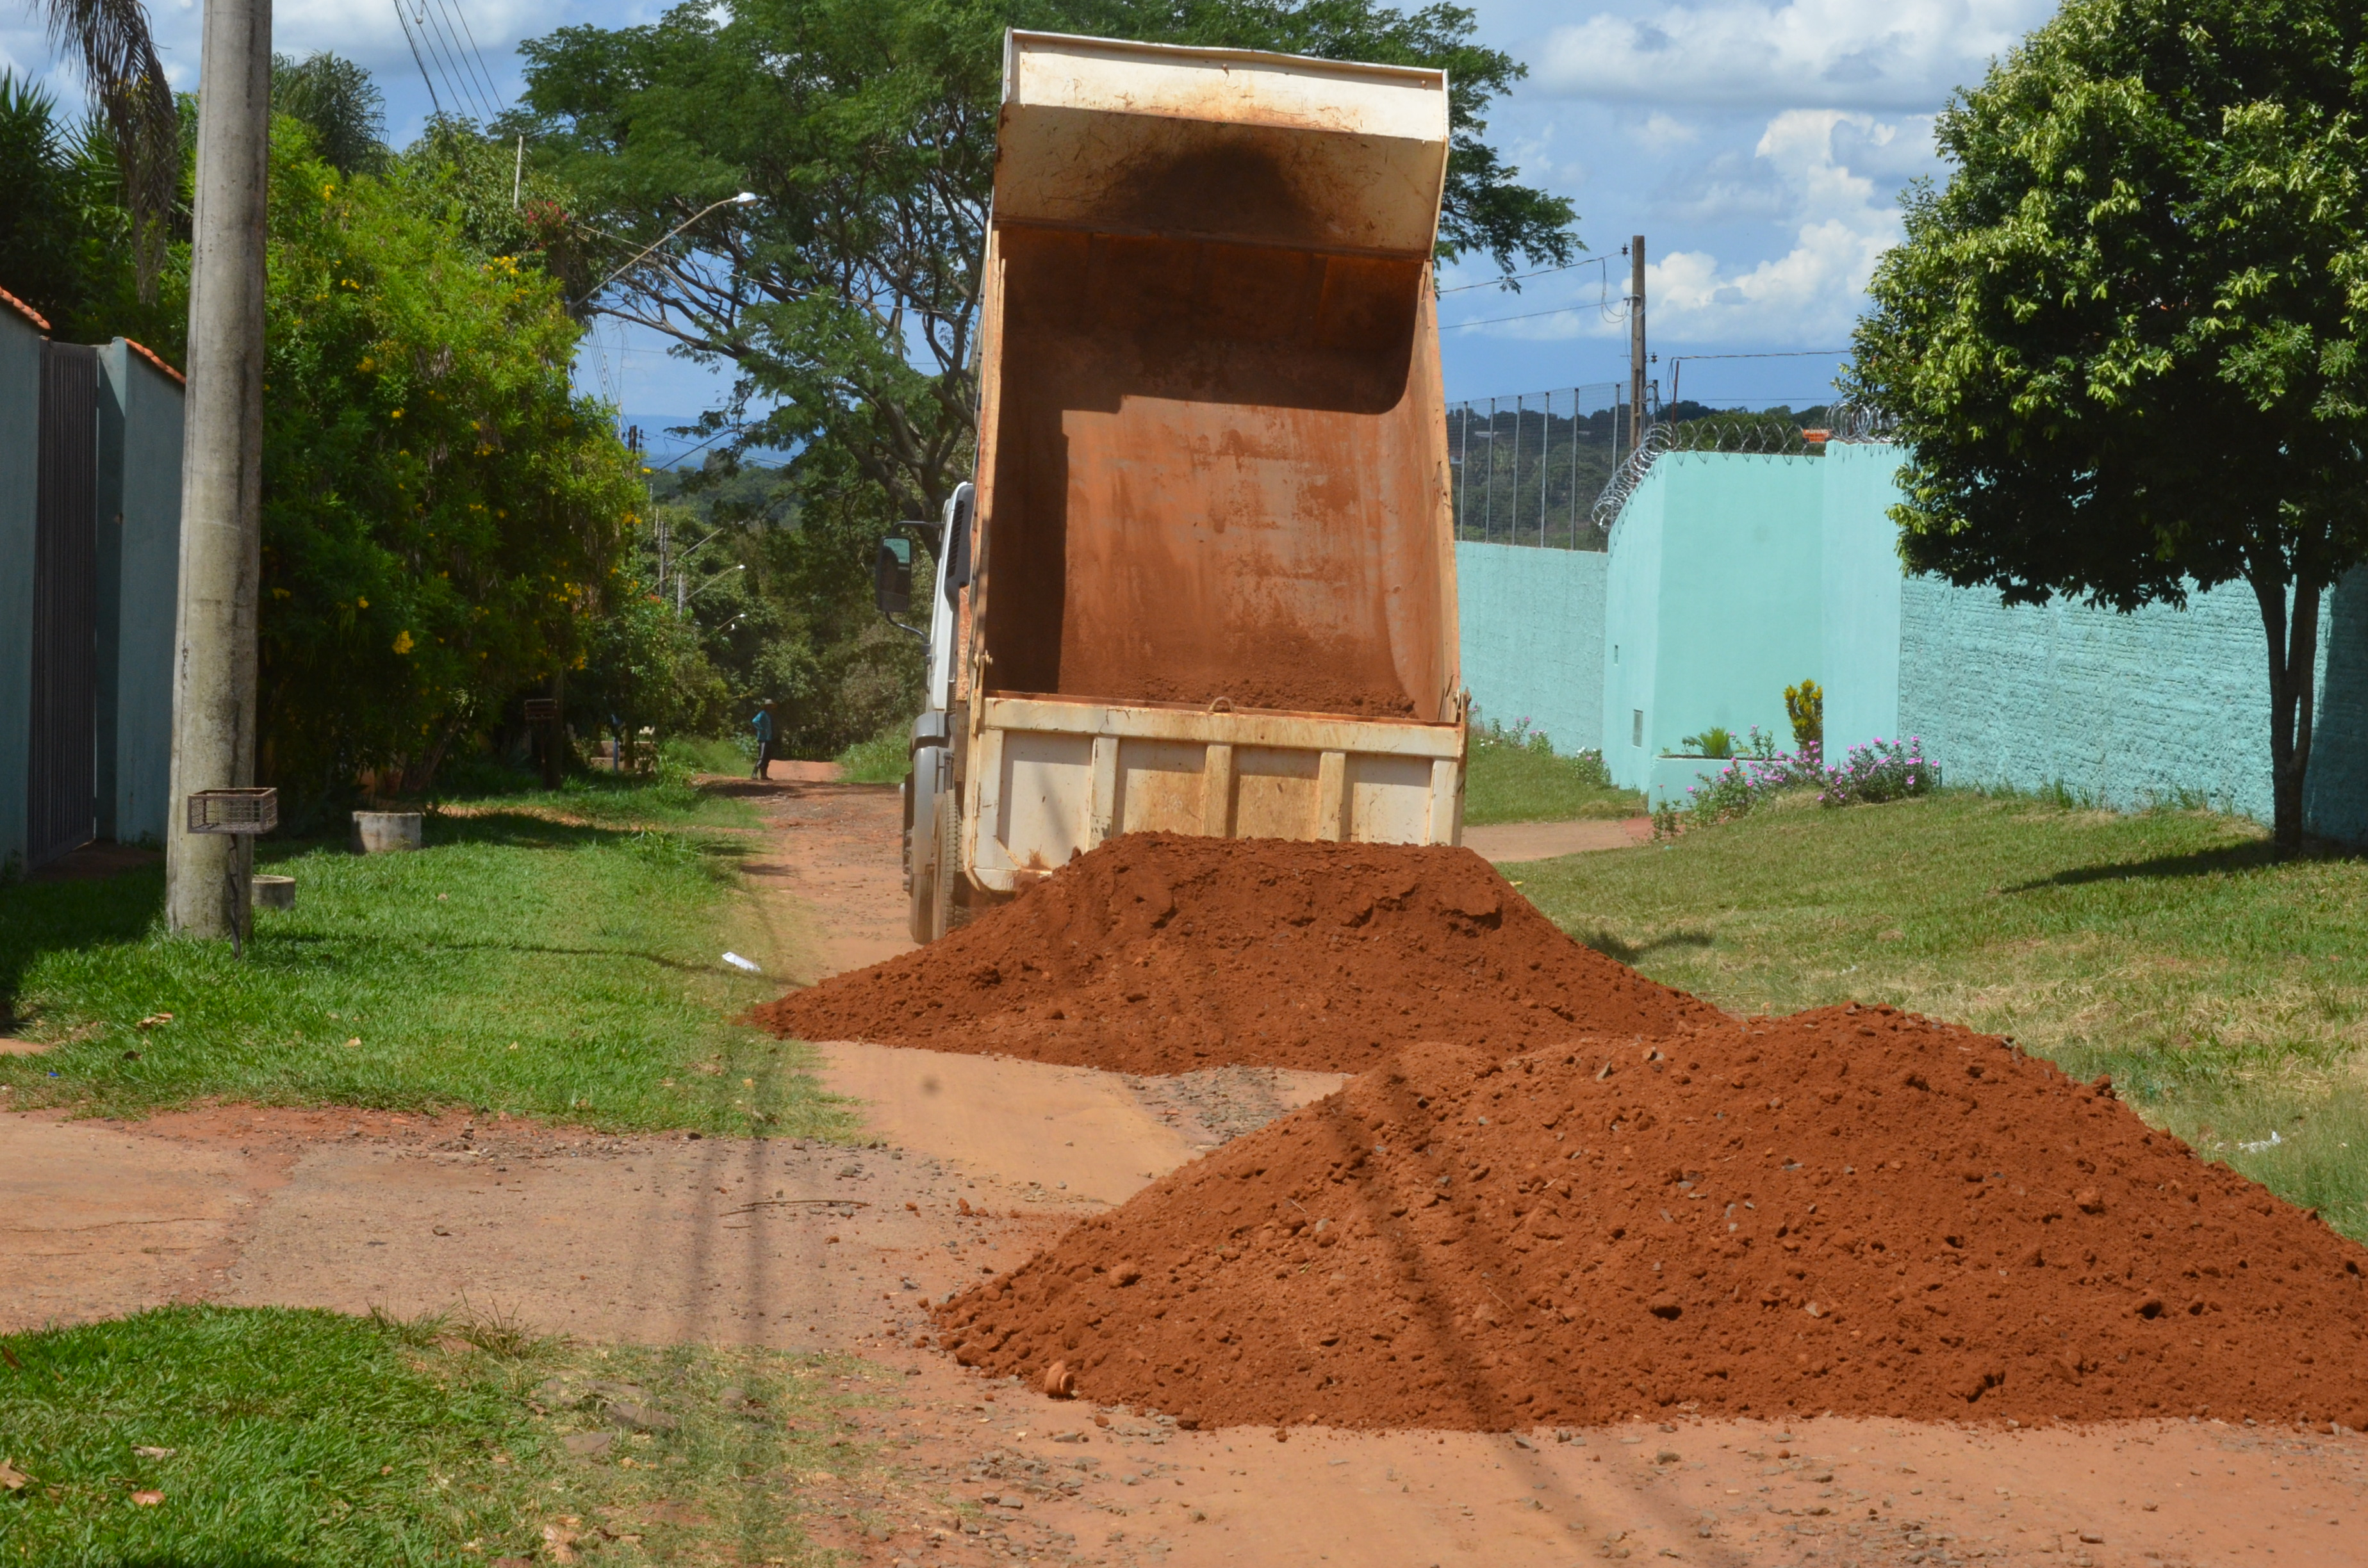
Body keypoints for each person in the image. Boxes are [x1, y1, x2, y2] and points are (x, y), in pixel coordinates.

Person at [750, 701, 775, 780]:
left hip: (768, 738)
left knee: (767, 757)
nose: (770, 707)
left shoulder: (769, 715)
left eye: (771, 706)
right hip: (763, 739)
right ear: (765, 706)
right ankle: (754, 773)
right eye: (768, 705)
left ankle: (764, 775)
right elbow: (754, 721)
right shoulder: (762, 713)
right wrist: (761, 729)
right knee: (762, 756)